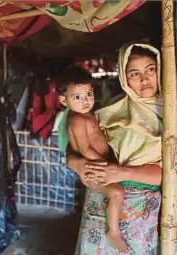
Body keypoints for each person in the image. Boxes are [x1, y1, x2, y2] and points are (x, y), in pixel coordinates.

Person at [67, 43, 163, 254]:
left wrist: (122, 172)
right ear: (123, 78)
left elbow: (171, 172)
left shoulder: (171, 112)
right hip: (101, 197)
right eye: (134, 73)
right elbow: (75, 145)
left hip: (141, 206)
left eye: (151, 69)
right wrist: (76, 163)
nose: (144, 79)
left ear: (160, 69)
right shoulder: (111, 109)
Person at [56, 66, 128, 250]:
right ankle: (113, 231)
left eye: (88, 94)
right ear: (64, 100)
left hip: (98, 164)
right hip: (92, 166)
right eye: (77, 97)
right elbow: (85, 149)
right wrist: (106, 165)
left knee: (116, 192)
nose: (86, 100)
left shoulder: (88, 114)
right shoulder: (77, 120)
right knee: (116, 193)